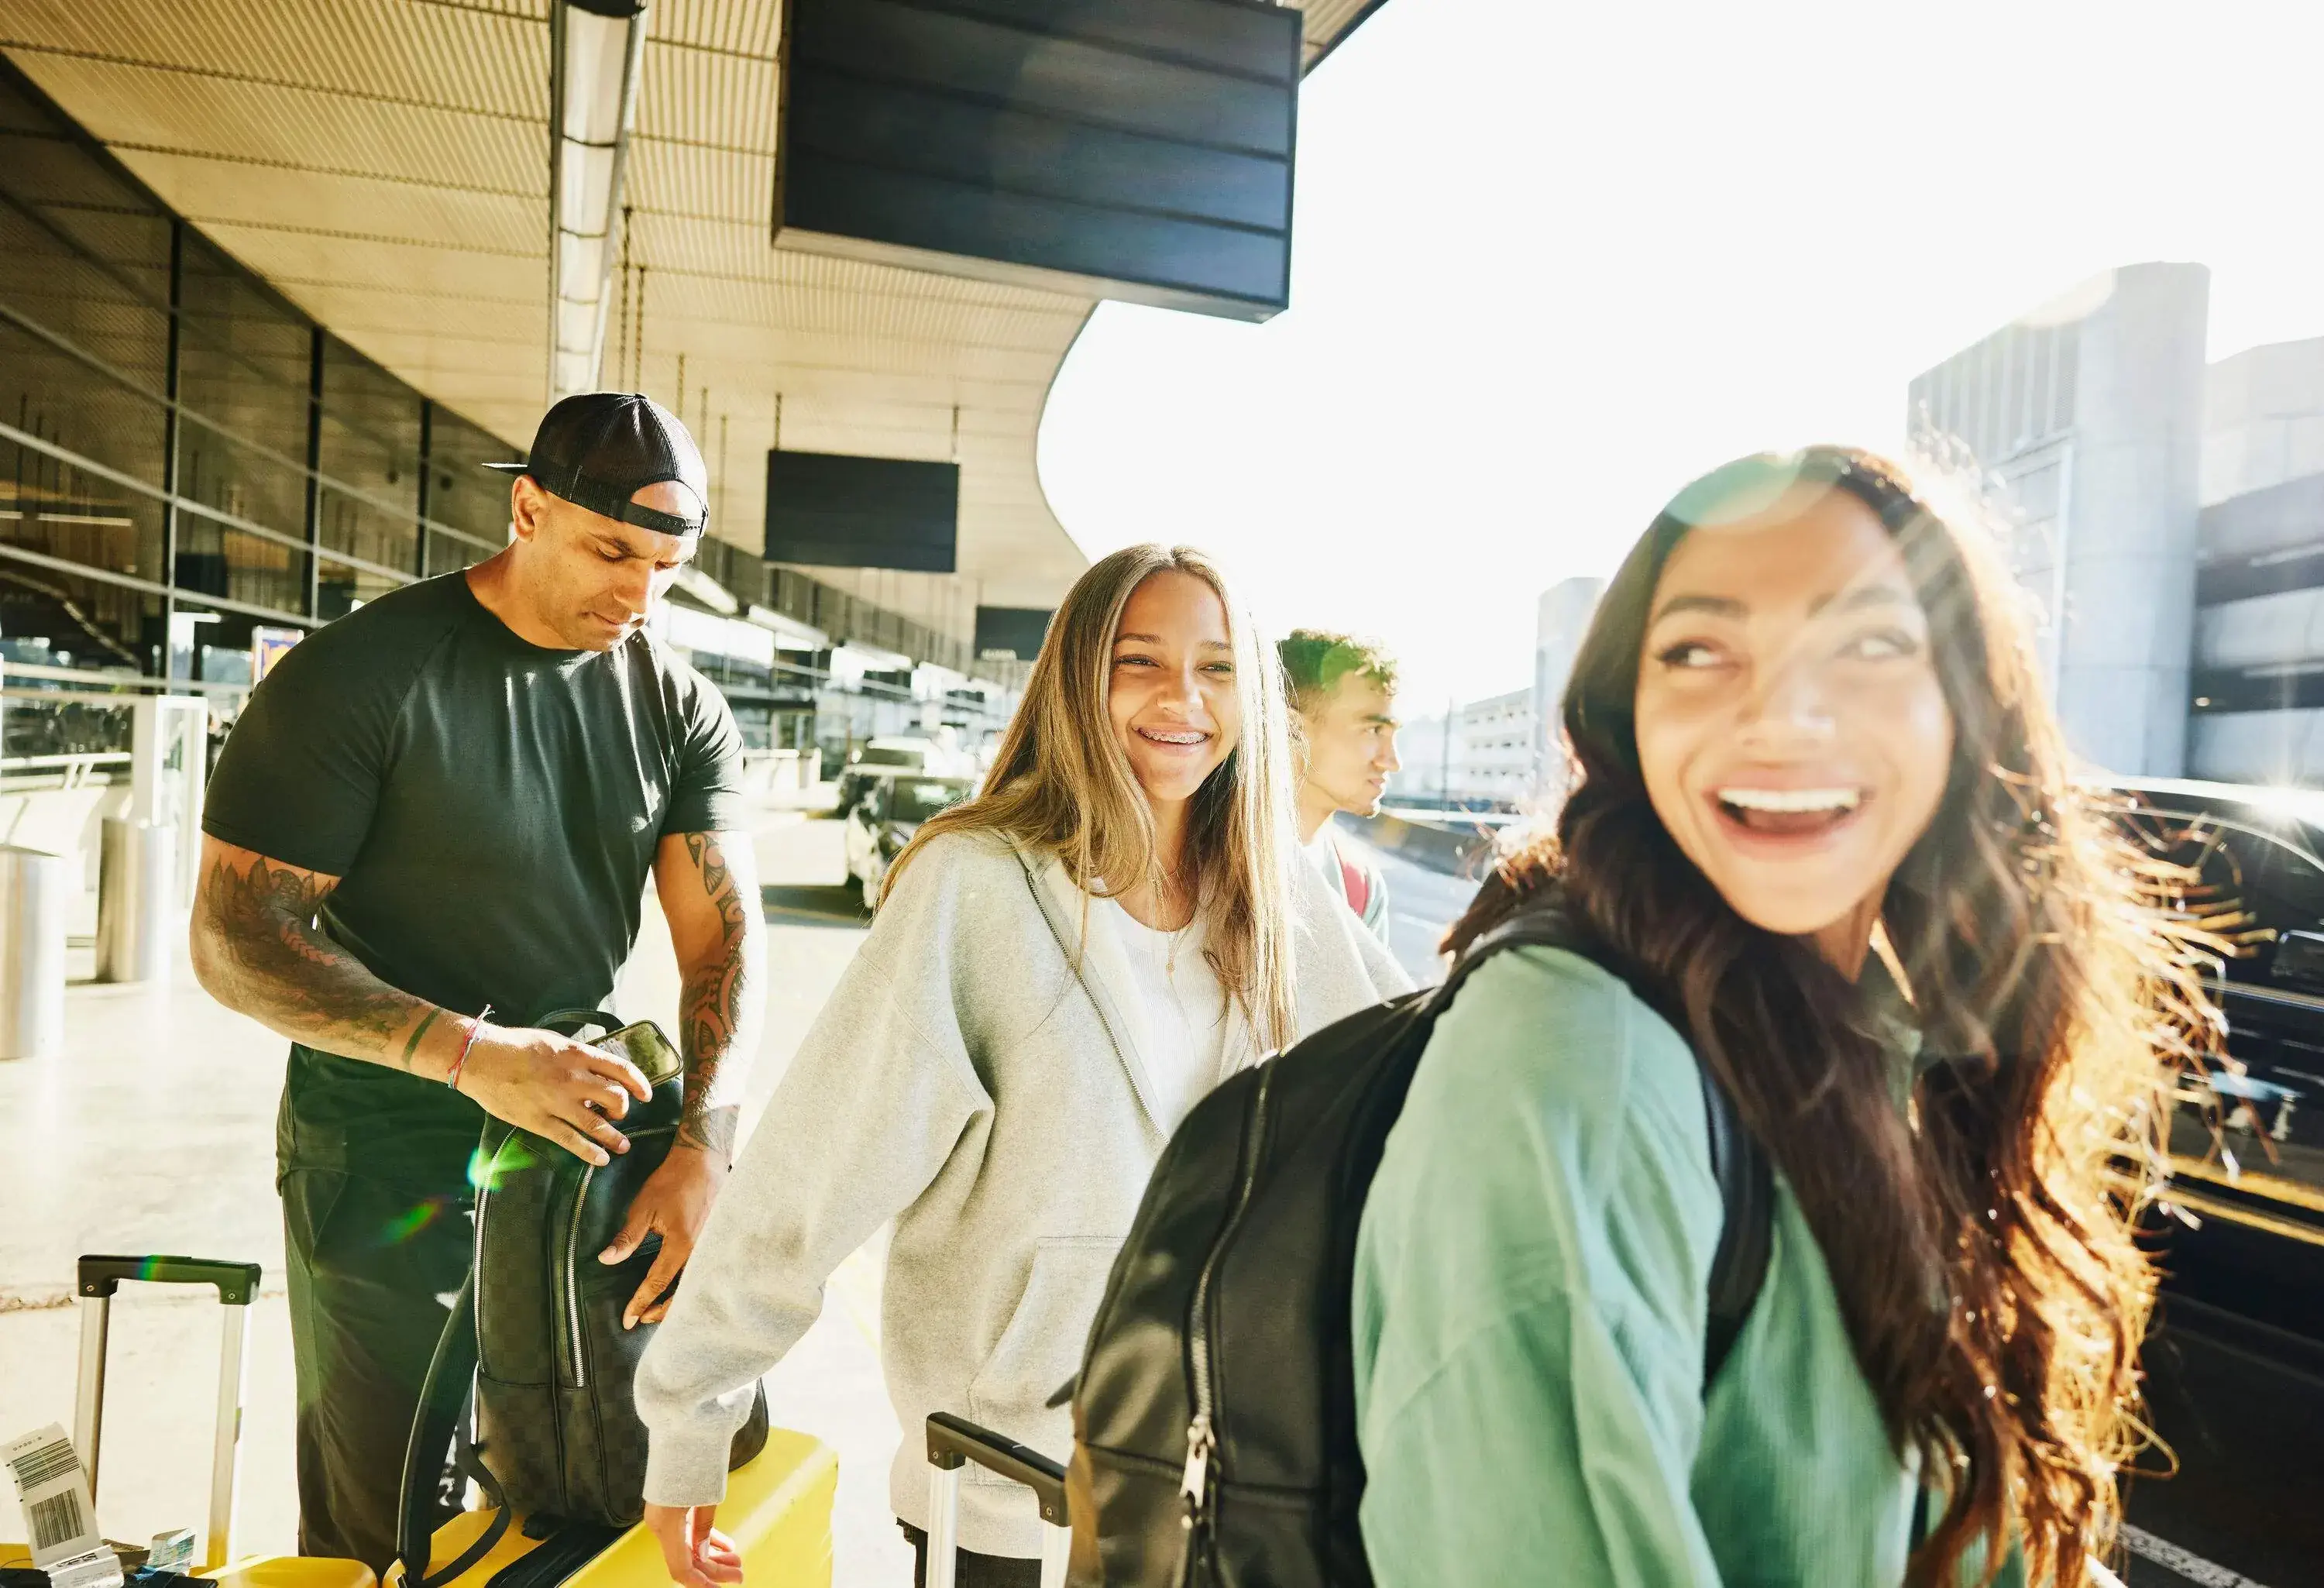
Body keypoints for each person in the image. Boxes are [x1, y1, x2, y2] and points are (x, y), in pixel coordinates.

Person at [1350, 449, 2205, 1586]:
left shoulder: (1875, 1025)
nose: (1785, 718)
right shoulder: (1577, 1060)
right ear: (1627, 714)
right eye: (1701, 649)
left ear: (1965, 699)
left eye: (1867, 644)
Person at [635, 545, 1411, 1588]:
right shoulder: (979, 888)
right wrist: (693, 1414)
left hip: (1224, 1488)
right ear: (1079, 678)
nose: (1183, 697)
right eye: (1141, 661)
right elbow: (818, 1164)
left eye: (1218, 667)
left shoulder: (1280, 896)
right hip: (1003, 1489)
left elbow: (1410, 1095)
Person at [190, 393, 765, 1574]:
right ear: (527, 508)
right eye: (611, 551)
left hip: (572, 1148)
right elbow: (236, 937)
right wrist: (469, 1054)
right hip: (384, 1144)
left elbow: (728, 943)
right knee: (382, 1506)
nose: (638, 592)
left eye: (666, 565)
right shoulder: (359, 676)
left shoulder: (674, 700)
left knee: (570, 1480)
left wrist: (703, 1145)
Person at [1278, 629, 1401, 944]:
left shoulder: (1360, 887)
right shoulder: (1185, 860)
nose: (1392, 761)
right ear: (1292, 728)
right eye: (1373, 730)